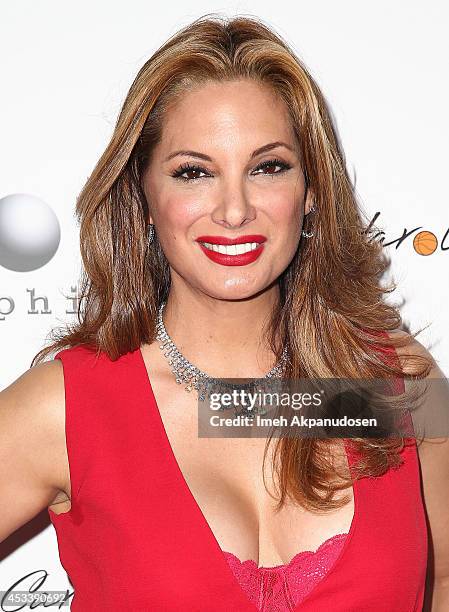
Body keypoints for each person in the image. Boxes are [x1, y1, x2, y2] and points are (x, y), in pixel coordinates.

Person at [1, 13, 448, 612]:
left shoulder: (397, 389)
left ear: (312, 189)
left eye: (268, 167)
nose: (234, 210)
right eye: (194, 172)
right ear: (141, 195)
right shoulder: (68, 408)